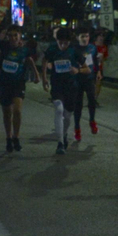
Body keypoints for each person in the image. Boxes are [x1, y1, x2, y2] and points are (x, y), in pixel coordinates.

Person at [43, 26, 85, 154]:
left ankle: (64, 134)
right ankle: (60, 143)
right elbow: (44, 60)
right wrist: (44, 78)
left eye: (65, 43)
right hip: (57, 86)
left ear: (69, 42)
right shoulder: (52, 49)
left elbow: (88, 69)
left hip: (71, 87)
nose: (62, 45)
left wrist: (78, 70)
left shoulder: (74, 51)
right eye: (60, 42)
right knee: (59, 110)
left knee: (67, 116)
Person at [0, 27, 34, 152]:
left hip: (18, 84)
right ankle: (8, 137)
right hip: (4, 83)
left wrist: (37, 74)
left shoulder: (24, 49)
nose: (13, 38)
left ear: (20, 36)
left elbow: (30, 60)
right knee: (7, 112)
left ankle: (16, 137)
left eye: (16, 35)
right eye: (10, 35)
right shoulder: (3, 48)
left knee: (17, 110)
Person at [75, 25, 101, 138]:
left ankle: (92, 121)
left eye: (86, 36)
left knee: (92, 100)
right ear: (77, 37)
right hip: (77, 79)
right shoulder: (74, 49)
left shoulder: (92, 48)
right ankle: (77, 128)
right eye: (82, 36)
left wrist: (98, 72)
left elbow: (95, 61)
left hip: (89, 79)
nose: (85, 39)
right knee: (78, 105)